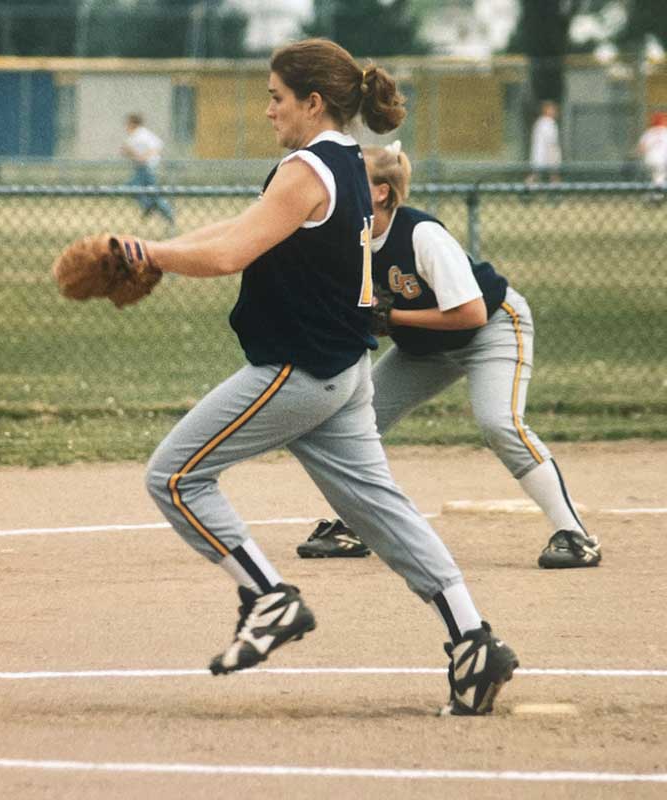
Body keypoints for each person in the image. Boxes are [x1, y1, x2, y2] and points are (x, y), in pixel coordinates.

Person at [121, 39, 518, 716]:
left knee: (176, 477)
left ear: (312, 102)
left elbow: (233, 252)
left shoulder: (309, 168)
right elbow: (244, 228)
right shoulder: (345, 163)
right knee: (380, 511)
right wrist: (158, 252)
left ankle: (269, 599)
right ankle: (474, 642)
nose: (268, 108)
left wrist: (147, 251)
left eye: (277, 97)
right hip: (343, 369)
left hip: (300, 369)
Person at [296, 141, 602, 571]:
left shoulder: (421, 234)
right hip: (425, 347)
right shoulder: (351, 239)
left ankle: (575, 535)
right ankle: (354, 526)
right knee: (354, 422)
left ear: (380, 192)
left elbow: (471, 313)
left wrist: (394, 316)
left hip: (493, 329)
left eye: (352, 179)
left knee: (499, 422)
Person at [121, 112, 175, 225]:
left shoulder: (142, 134)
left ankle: (153, 207)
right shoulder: (134, 136)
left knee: (136, 188)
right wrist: (131, 152)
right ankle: (152, 206)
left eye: (128, 123)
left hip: (147, 167)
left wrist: (144, 156)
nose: (126, 126)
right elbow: (126, 151)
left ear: (133, 123)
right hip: (141, 168)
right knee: (145, 190)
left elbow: (157, 146)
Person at [527, 100, 561, 184]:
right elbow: (551, 141)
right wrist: (555, 156)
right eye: (552, 110)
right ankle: (555, 193)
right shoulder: (548, 122)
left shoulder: (540, 122)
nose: (555, 112)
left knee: (537, 174)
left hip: (541, 154)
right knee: (551, 174)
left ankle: (527, 190)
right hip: (546, 153)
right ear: (546, 110)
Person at [636, 112, 667, 195]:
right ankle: (656, 196)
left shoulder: (648, 132)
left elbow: (641, 149)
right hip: (661, 160)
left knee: (654, 177)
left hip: (649, 159)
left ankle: (652, 194)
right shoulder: (665, 132)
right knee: (659, 179)